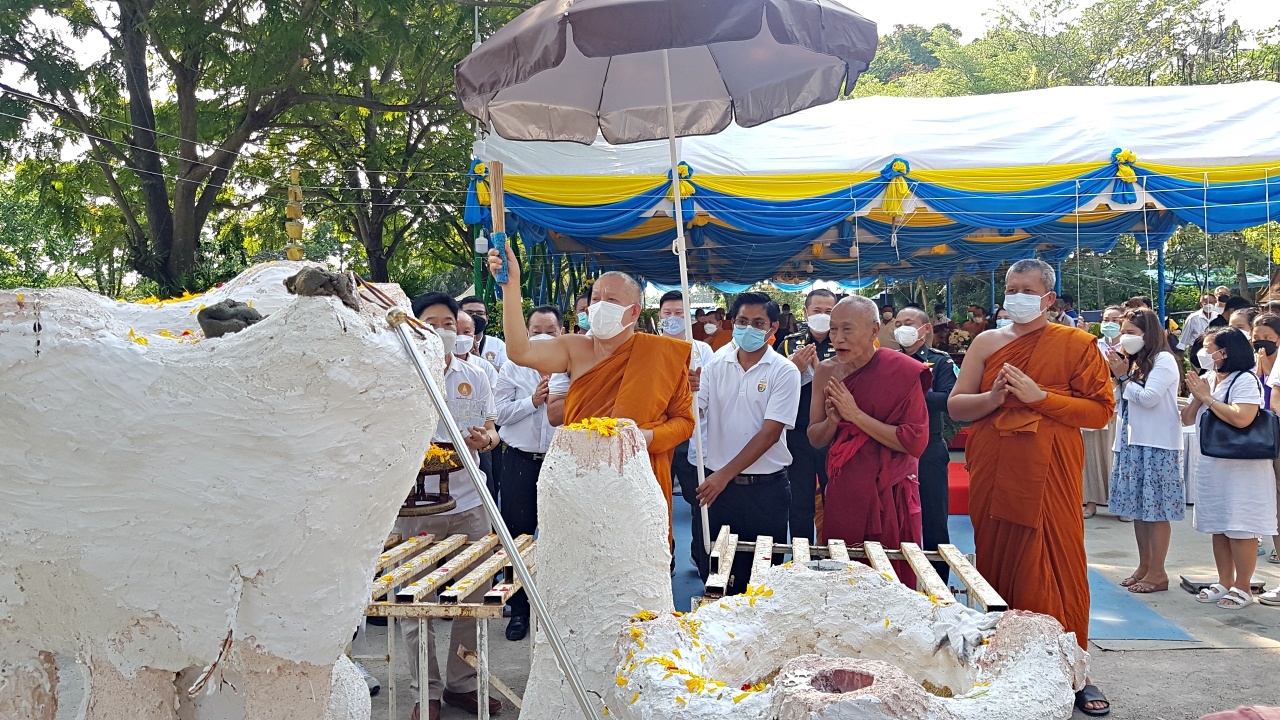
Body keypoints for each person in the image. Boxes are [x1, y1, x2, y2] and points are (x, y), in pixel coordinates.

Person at [948, 259, 1114, 716]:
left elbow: (1100, 412)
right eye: (1010, 287)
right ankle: (1005, 663)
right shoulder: (986, 341)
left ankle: (1074, 670)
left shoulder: (1076, 344)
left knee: (1057, 563)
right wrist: (996, 397)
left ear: (1048, 299)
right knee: (1000, 559)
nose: (1016, 295)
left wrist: (1042, 399)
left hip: (1050, 468)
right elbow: (958, 407)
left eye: (1027, 288)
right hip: (996, 465)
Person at [488, 247, 694, 545]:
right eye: (595, 299)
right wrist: (511, 287)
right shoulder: (574, 348)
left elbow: (684, 422)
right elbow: (521, 352)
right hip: (581, 479)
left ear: (633, 311)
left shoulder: (663, 355)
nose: (599, 306)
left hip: (638, 478)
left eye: (610, 300)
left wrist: (646, 438)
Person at [403, 292, 502, 720]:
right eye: (432, 322)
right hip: (414, 509)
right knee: (413, 601)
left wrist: (487, 440)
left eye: (449, 323)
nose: (442, 331)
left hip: (469, 501)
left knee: (474, 599)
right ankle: (425, 693)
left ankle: (463, 685)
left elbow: (492, 427)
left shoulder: (475, 373)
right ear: (415, 327)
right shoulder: (400, 374)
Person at [807, 296, 930, 586]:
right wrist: (834, 421)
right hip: (844, 485)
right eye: (833, 329)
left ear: (874, 330)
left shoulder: (902, 370)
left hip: (891, 489)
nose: (838, 338)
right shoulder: (825, 371)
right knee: (843, 571)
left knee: (891, 576)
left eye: (847, 329)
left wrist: (855, 415)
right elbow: (815, 436)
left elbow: (914, 442)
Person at [694, 292, 801, 594]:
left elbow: (770, 433)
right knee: (716, 574)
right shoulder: (715, 365)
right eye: (742, 321)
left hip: (765, 490)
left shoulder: (784, 371)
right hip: (718, 492)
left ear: (773, 328)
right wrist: (684, 389)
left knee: (762, 581)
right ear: (733, 323)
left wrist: (723, 476)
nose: (749, 329)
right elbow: (695, 409)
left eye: (758, 323)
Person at [1181, 327, 1278, 610]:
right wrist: (1199, 394)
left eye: (1210, 347)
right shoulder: (1207, 378)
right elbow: (1187, 418)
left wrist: (1209, 398)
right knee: (1219, 525)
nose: (1205, 353)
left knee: (1240, 526)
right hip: (1213, 463)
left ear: (1226, 352)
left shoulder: (1245, 380)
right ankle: (1225, 580)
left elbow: (1243, 419)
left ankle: (1243, 586)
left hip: (1242, 467)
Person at [493, 305, 567, 642]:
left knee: (561, 535)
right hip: (520, 462)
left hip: (561, 461)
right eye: (534, 329)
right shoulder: (511, 367)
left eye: (549, 330)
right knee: (519, 538)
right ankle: (519, 611)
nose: (542, 336)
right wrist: (533, 401)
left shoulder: (573, 366)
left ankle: (557, 609)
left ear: (561, 332)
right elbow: (499, 415)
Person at [1106, 308, 1184, 594]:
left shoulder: (1163, 360)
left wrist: (1124, 378)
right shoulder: (1136, 363)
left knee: (1157, 509)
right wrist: (1118, 377)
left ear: (1147, 334)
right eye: (1123, 331)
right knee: (1139, 508)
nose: (1125, 337)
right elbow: (1118, 399)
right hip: (1132, 441)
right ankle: (1144, 565)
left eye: (1131, 333)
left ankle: (1158, 572)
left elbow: (1149, 399)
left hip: (1157, 444)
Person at [894, 306, 958, 580]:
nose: (902, 328)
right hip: (893, 444)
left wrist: (911, 392)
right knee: (894, 516)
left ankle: (937, 581)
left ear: (925, 328)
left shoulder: (940, 362)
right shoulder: (887, 361)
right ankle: (896, 575)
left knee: (934, 517)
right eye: (898, 323)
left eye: (909, 322)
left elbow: (948, 399)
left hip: (928, 446)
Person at [658, 290, 716, 576]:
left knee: (698, 501)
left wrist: (695, 387)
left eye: (679, 313)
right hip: (659, 436)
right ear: (659, 316)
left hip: (693, 437)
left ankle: (700, 555)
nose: (672, 318)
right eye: (667, 313)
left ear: (689, 317)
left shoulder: (702, 351)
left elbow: (709, 394)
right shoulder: (651, 348)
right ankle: (663, 557)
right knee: (659, 499)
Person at [778, 289, 839, 544]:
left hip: (833, 432)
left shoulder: (845, 343)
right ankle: (801, 555)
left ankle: (833, 553)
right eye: (817, 311)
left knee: (834, 498)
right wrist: (794, 369)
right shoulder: (789, 344)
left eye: (829, 312)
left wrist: (819, 372)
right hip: (798, 432)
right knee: (800, 499)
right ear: (805, 313)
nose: (822, 316)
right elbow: (775, 385)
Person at [1084, 305, 1125, 519]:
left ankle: (1121, 504)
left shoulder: (1130, 347)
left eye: (1116, 320)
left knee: (1115, 456)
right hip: (1094, 402)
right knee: (1092, 455)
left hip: (1120, 405)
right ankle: (1091, 502)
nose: (1110, 323)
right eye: (1107, 319)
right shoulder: (1093, 345)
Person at [459, 296, 507, 370]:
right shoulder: (452, 343)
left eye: (480, 313)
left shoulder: (498, 344)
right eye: (469, 313)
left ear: (487, 319)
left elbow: (506, 373)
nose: (474, 316)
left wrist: (479, 362)